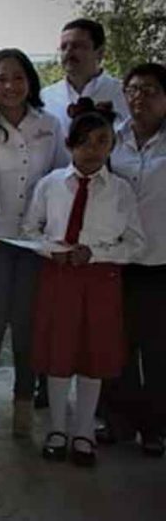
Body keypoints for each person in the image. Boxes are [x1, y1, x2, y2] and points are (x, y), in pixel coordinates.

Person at [24, 98, 143, 467]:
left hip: (101, 280)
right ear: (69, 144)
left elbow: (136, 243)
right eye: (85, 142)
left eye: (102, 142)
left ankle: (84, 432)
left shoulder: (120, 190)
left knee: (93, 355)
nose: (93, 150)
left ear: (112, 145)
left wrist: (97, 253)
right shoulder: (50, 185)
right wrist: (50, 250)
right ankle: (58, 428)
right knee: (60, 353)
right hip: (60, 278)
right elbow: (31, 230)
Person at [0, 49, 70, 435]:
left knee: (27, 322)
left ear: (30, 82)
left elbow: (62, 176)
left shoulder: (50, 125)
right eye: (1, 79)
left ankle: (23, 403)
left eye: (18, 78)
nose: (10, 86)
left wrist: (55, 231)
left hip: (34, 241)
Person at [104, 62, 166, 457]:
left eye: (151, 90)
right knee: (117, 346)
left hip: (161, 260)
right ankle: (118, 422)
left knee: (158, 349)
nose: (140, 97)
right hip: (119, 259)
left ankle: (155, 428)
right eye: (134, 89)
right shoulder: (113, 140)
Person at [41, 19, 130, 134]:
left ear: (100, 52)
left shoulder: (124, 95)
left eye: (77, 46)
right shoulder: (45, 98)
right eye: (64, 47)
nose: (68, 52)